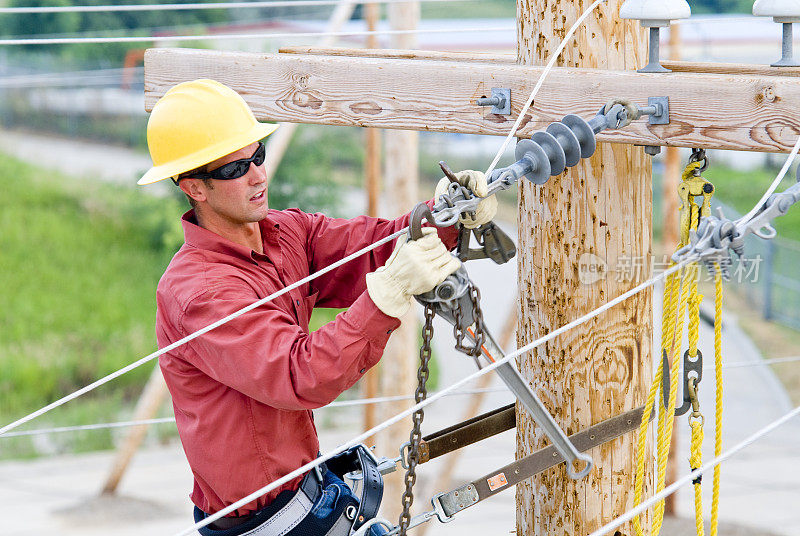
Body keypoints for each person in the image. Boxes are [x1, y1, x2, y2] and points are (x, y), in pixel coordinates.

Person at [138, 79, 497, 536]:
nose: (257, 175)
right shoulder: (200, 293)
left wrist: (446, 216)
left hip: (306, 491)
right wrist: (384, 296)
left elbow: (372, 247)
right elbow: (299, 374)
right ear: (195, 188)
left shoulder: (285, 233)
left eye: (258, 156)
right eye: (234, 169)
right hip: (262, 521)